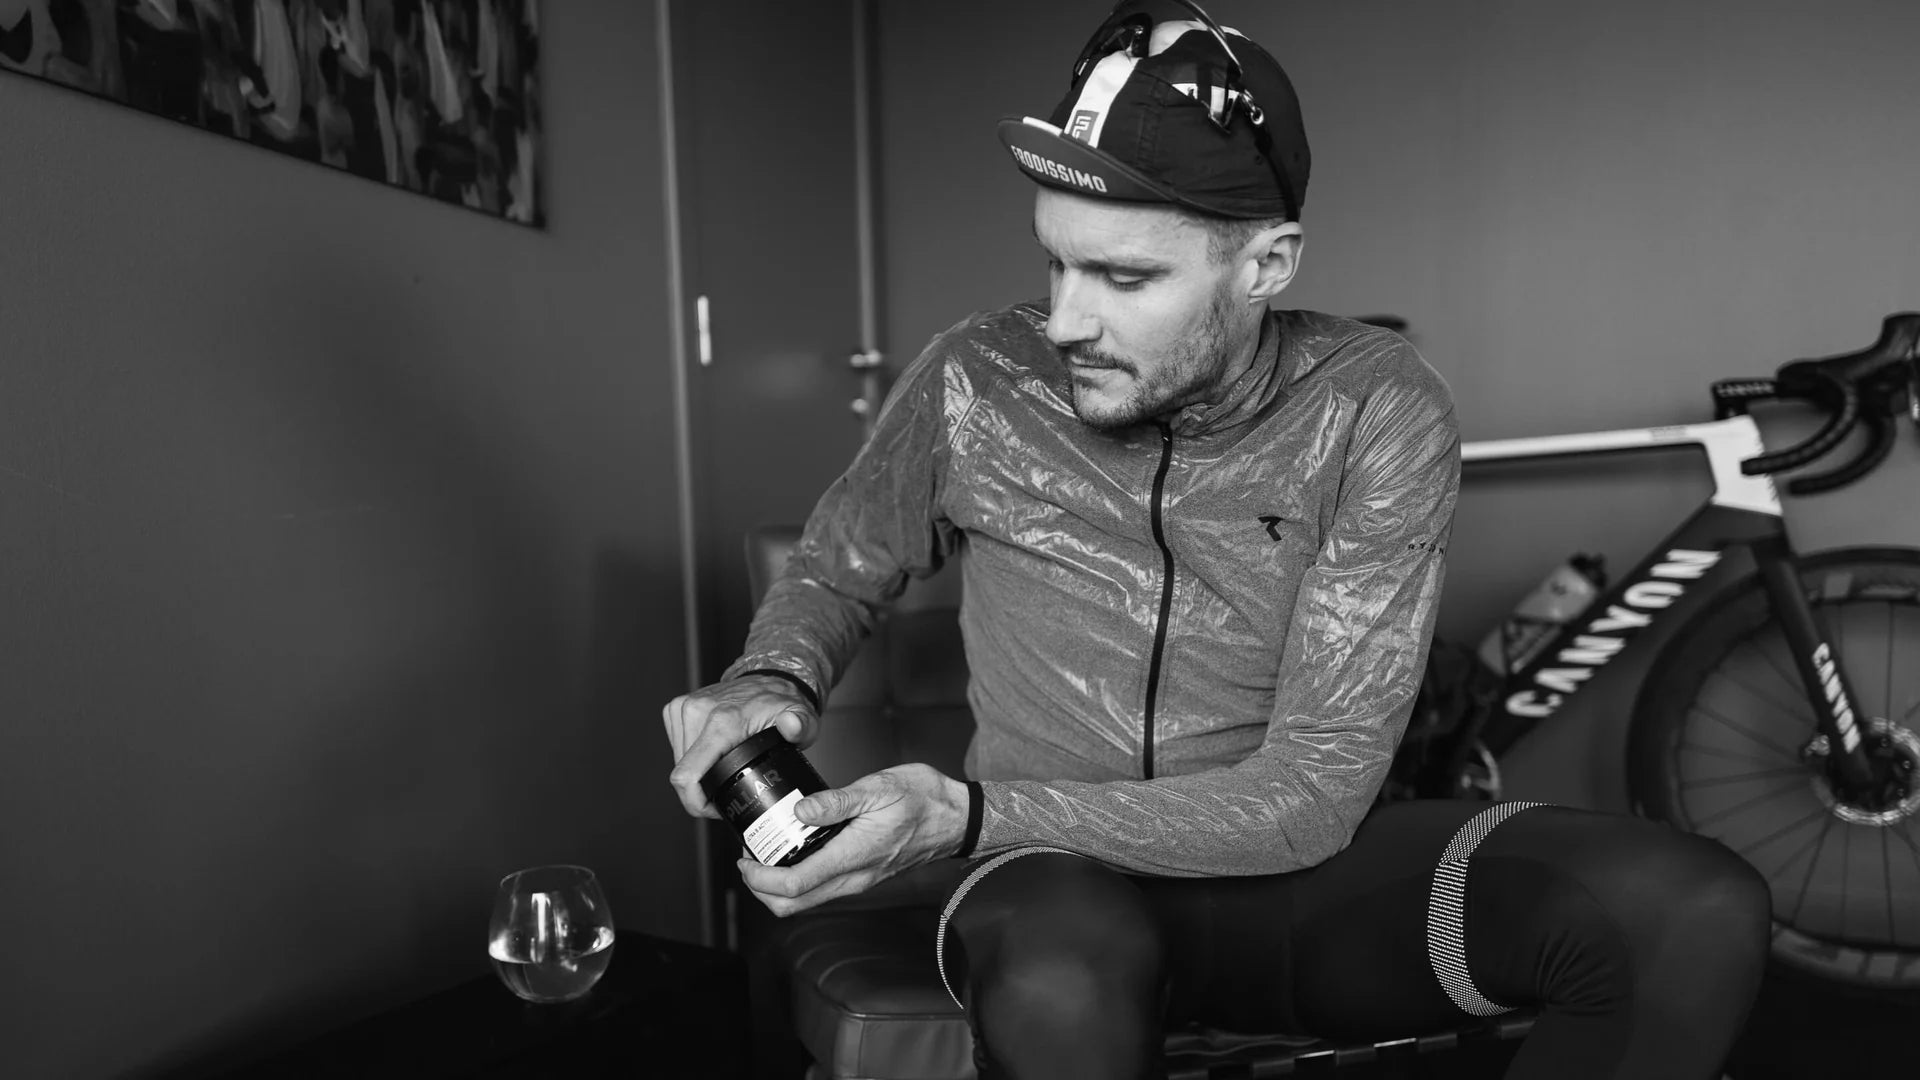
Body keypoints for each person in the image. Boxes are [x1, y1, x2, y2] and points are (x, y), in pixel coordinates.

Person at [662, 3, 1771, 1077]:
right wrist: (771, 676)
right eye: (1056, 263)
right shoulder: (974, 379)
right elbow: (837, 565)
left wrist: (962, 812)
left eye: (1125, 277)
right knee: (1065, 973)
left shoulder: (1376, 406)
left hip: (1292, 887)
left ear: (1267, 266)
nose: (1065, 321)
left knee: (1689, 905)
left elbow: (1314, 791)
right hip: (1038, 882)